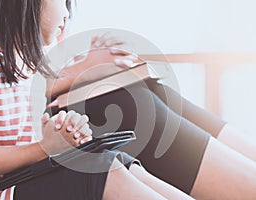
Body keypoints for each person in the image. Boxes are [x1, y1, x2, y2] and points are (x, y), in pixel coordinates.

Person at [0, 0, 195, 199]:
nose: (67, 13)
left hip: (9, 184)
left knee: (117, 161)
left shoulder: (22, 67)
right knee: (101, 170)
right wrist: (42, 149)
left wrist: (58, 133)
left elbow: (7, 139)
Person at [45, 1, 256, 199]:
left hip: (53, 100)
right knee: (129, 103)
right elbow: (18, 87)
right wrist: (81, 70)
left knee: (147, 90)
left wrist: (84, 64)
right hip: (48, 124)